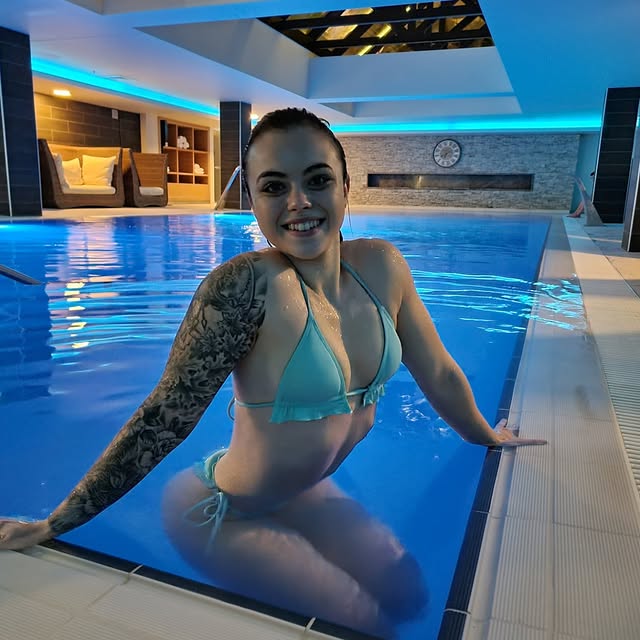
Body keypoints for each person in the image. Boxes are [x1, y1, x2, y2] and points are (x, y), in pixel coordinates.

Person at [0, 108, 546, 638]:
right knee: (366, 623)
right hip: (224, 511)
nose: (298, 202)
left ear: (346, 187)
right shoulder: (244, 289)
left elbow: (439, 372)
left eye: (317, 180)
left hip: (304, 493)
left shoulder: (382, 266)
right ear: (253, 200)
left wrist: (486, 435)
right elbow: (165, 416)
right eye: (274, 186)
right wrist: (56, 522)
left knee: (412, 597)